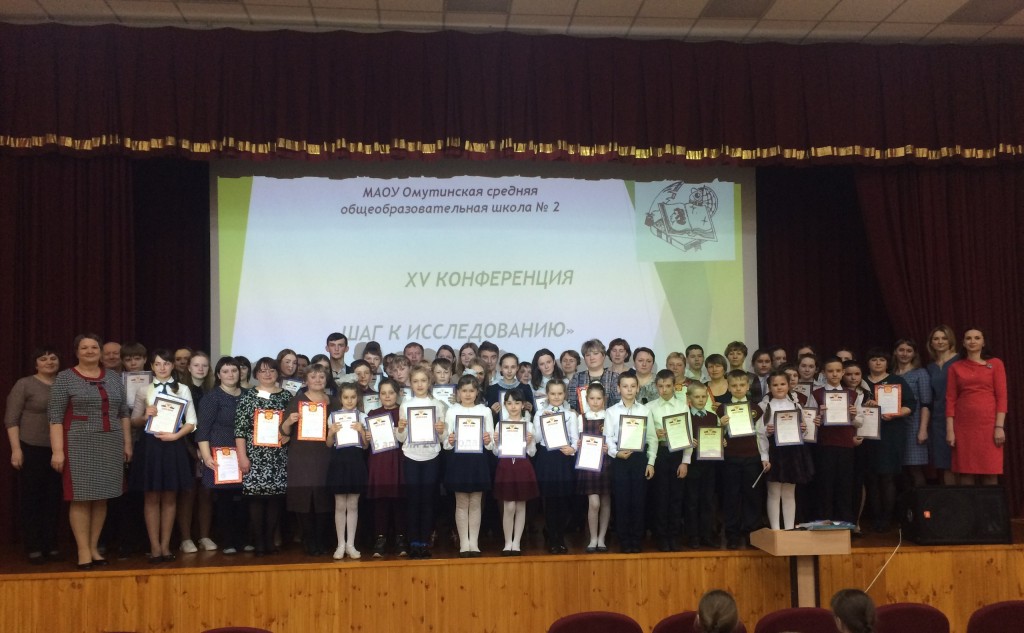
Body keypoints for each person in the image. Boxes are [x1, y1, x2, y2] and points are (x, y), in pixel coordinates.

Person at [48, 334, 133, 569]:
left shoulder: (113, 377)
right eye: (84, 347)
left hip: (111, 443)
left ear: (100, 351)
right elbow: (55, 417)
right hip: (78, 444)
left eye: (94, 347)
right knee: (81, 498)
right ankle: (83, 551)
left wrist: (127, 444)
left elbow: (123, 413)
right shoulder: (65, 378)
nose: (89, 351)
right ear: (76, 352)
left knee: (102, 497)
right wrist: (57, 451)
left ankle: (94, 548)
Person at [129, 349, 198, 563]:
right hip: (150, 446)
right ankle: (154, 547)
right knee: (151, 497)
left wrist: (175, 435)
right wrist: (144, 416)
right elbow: (133, 421)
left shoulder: (183, 389)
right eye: (158, 364)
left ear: (172, 366)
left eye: (166, 363)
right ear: (152, 366)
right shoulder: (144, 390)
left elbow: (192, 422)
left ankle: (166, 546)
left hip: (173, 445)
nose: (162, 367)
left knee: (170, 497)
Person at [5, 345, 62, 563]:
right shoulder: (25, 384)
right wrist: (16, 449)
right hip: (31, 448)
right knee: (32, 499)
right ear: (35, 364)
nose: (49, 362)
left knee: (53, 499)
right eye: (43, 359)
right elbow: (11, 419)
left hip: (59, 450)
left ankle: (51, 544)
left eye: (53, 358)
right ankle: (34, 546)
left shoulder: (64, 383)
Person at [233, 357, 292, 556]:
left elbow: (292, 427)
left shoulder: (286, 396)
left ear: (277, 373)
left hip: (279, 456)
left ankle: (270, 542)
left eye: (272, 370)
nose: (268, 374)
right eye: (263, 371)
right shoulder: (248, 396)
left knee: (275, 500)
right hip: (254, 456)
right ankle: (259, 543)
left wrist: (287, 435)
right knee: (256, 500)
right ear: (256, 374)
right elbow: (240, 430)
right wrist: (242, 457)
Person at [281, 364, 338, 557]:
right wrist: (289, 421)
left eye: (321, 376)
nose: (317, 380)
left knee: (323, 498)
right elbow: (283, 431)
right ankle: (309, 539)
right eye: (313, 377)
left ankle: (320, 539)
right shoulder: (297, 401)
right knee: (303, 498)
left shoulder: (334, 402)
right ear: (305, 381)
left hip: (326, 454)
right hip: (302, 455)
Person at [196, 357, 247, 555]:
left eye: (234, 370)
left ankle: (243, 539)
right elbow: (203, 430)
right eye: (225, 371)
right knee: (225, 499)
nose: (230, 374)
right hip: (221, 455)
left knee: (243, 498)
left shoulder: (248, 395)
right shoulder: (212, 398)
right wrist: (206, 456)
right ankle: (228, 541)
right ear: (218, 375)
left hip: (244, 453)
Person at [396, 365, 448, 559]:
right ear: (410, 383)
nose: (419, 384)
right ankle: (413, 543)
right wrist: (401, 428)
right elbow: (401, 438)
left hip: (431, 457)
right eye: (416, 381)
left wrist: (441, 430)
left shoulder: (438, 405)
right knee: (413, 501)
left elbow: (443, 438)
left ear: (429, 382)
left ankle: (424, 542)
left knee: (427, 501)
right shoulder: (405, 405)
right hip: (411, 456)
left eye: (423, 381)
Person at [863, 348, 915, 532]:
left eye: (881, 359)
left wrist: (895, 413)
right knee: (871, 478)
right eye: (874, 359)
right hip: (867, 435)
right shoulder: (861, 381)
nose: (878, 363)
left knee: (887, 477)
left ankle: (886, 518)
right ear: (868, 362)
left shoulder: (896, 380)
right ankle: (875, 517)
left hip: (891, 434)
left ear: (887, 362)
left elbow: (911, 404)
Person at [947, 328, 1008, 485]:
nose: (972, 341)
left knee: (990, 472)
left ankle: (990, 503)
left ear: (983, 342)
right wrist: (950, 430)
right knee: (966, 472)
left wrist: (999, 426)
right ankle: (969, 503)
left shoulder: (995, 364)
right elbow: (950, 399)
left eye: (977, 338)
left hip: (989, 425)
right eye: (968, 338)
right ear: (963, 343)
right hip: (964, 426)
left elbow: (1002, 397)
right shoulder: (955, 367)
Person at [717, 369, 769, 549]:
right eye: (734, 385)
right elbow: (715, 436)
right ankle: (732, 534)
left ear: (747, 386)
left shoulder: (756, 408)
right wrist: (721, 426)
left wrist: (764, 456)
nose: (738, 388)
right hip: (730, 458)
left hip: (752, 458)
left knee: (752, 496)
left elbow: (761, 434)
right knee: (731, 496)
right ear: (728, 387)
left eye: (741, 385)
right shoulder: (721, 409)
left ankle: (751, 533)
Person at [443, 375, 495, 556]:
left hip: (478, 461)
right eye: (464, 390)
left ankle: (474, 542)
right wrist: (449, 439)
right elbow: (446, 442)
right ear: (458, 392)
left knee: (475, 503)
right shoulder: (452, 411)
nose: (467, 394)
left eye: (471, 390)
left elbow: (491, 443)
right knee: (461, 502)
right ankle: (464, 543)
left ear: (477, 392)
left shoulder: (485, 411)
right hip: (458, 461)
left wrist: (487, 440)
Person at [605, 373, 656, 553]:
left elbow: (652, 438)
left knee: (639, 500)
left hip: (639, 459)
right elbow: (608, 437)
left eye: (633, 386)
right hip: (620, 460)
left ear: (637, 388)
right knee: (622, 500)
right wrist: (616, 452)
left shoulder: (644, 411)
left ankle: (637, 538)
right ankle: (624, 539)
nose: (629, 390)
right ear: (618, 388)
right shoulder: (611, 412)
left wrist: (651, 462)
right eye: (625, 386)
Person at [760, 371, 813, 531]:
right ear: (769, 387)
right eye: (775, 385)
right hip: (774, 452)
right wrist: (765, 454)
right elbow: (760, 433)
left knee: (789, 492)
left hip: (792, 452)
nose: (779, 387)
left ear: (789, 385)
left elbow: (804, 428)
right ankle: (776, 530)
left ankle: (789, 529)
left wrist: (803, 428)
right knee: (774, 492)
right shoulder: (765, 406)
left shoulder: (795, 405)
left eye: (782, 384)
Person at [812, 357, 862, 524]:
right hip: (825, 445)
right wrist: (818, 418)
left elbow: (860, 422)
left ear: (843, 373)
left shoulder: (853, 395)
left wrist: (853, 416)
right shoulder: (816, 394)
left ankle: (845, 524)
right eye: (830, 371)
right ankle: (824, 523)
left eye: (838, 371)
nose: (834, 374)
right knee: (824, 485)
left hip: (846, 446)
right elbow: (809, 421)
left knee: (845, 486)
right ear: (824, 373)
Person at [533, 379, 577, 554]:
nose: (556, 397)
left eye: (560, 393)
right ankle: (553, 538)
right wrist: (542, 421)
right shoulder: (539, 413)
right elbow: (537, 439)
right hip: (547, 458)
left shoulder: (570, 415)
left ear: (564, 394)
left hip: (564, 458)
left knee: (564, 500)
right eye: (553, 393)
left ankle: (560, 536)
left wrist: (572, 449)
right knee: (550, 500)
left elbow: (575, 439)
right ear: (547, 394)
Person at [326, 382, 369, 560]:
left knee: (352, 504)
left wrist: (361, 431)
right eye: (346, 397)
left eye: (353, 397)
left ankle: (351, 544)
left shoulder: (363, 417)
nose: (349, 400)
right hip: (339, 462)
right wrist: (331, 433)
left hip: (356, 461)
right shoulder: (333, 416)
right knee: (339, 505)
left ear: (357, 398)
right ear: (340, 398)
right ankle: (340, 544)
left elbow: (365, 446)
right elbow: (329, 444)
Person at [364, 378, 407, 557]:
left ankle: (400, 539)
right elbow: (366, 443)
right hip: (379, 461)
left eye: (391, 393)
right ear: (379, 395)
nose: (387, 396)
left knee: (399, 500)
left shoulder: (403, 412)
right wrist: (366, 436)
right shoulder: (373, 414)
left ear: (398, 394)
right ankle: (380, 539)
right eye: (383, 393)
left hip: (398, 460)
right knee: (380, 500)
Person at [492, 390, 538, 555]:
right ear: (505, 405)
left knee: (520, 505)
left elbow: (532, 452)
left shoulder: (529, 425)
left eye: (517, 403)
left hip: (522, 466)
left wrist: (530, 442)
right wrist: (496, 442)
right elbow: (496, 452)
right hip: (506, 467)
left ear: (523, 405)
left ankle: (516, 542)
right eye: (509, 403)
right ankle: (507, 542)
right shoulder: (500, 425)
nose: (513, 407)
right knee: (509, 506)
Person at [648, 369, 689, 551]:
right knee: (660, 496)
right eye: (660, 386)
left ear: (674, 386)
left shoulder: (682, 407)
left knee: (676, 497)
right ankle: (661, 536)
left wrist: (685, 461)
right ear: (656, 386)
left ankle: (674, 535)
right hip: (660, 453)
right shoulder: (650, 407)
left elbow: (688, 435)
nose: (664, 390)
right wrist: (654, 433)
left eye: (668, 386)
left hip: (677, 453)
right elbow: (646, 436)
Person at [683, 383, 721, 548]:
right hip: (692, 465)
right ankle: (693, 536)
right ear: (689, 398)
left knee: (708, 500)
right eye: (697, 397)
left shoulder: (713, 416)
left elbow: (718, 436)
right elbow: (679, 438)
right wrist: (688, 441)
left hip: (709, 465)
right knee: (692, 501)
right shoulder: (686, 417)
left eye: (703, 396)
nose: (700, 400)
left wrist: (722, 442)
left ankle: (707, 535)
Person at [892, 339, 932, 487]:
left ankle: (921, 501)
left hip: (914, 426)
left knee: (915, 469)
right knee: (899, 470)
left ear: (914, 354)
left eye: (909, 351)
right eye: (901, 350)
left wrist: (923, 430)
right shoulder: (890, 374)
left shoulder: (921, 373)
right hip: (895, 426)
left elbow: (926, 403)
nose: (905, 354)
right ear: (895, 352)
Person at [577, 383, 612, 553]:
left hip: (606, 462)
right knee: (594, 502)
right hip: (589, 464)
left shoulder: (609, 416)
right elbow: (576, 440)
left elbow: (614, 439)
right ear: (586, 399)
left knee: (605, 501)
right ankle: (592, 538)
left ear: (604, 399)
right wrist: (578, 444)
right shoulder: (581, 418)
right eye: (592, 398)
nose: (595, 402)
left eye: (599, 398)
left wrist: (609, 447)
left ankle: (602, 538)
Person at [926, 325, 958, 485]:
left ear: (950, 340)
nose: (940, 342)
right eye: (936, 338)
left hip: (959, 416)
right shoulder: (930, 367)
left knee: (962, 461)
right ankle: (952, 500)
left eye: (944, 338)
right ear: (931, 343)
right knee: (946, 463)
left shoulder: (960, 361)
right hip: (938, 419)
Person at [567, 339, 621, 412]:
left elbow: (618, 403)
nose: (592, 358)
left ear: (603, 356)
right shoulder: (577, 377)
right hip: (581, 418)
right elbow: (571, 404)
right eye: (588, 355)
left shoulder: (615, 377)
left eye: (595, 353)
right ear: (584, 358)